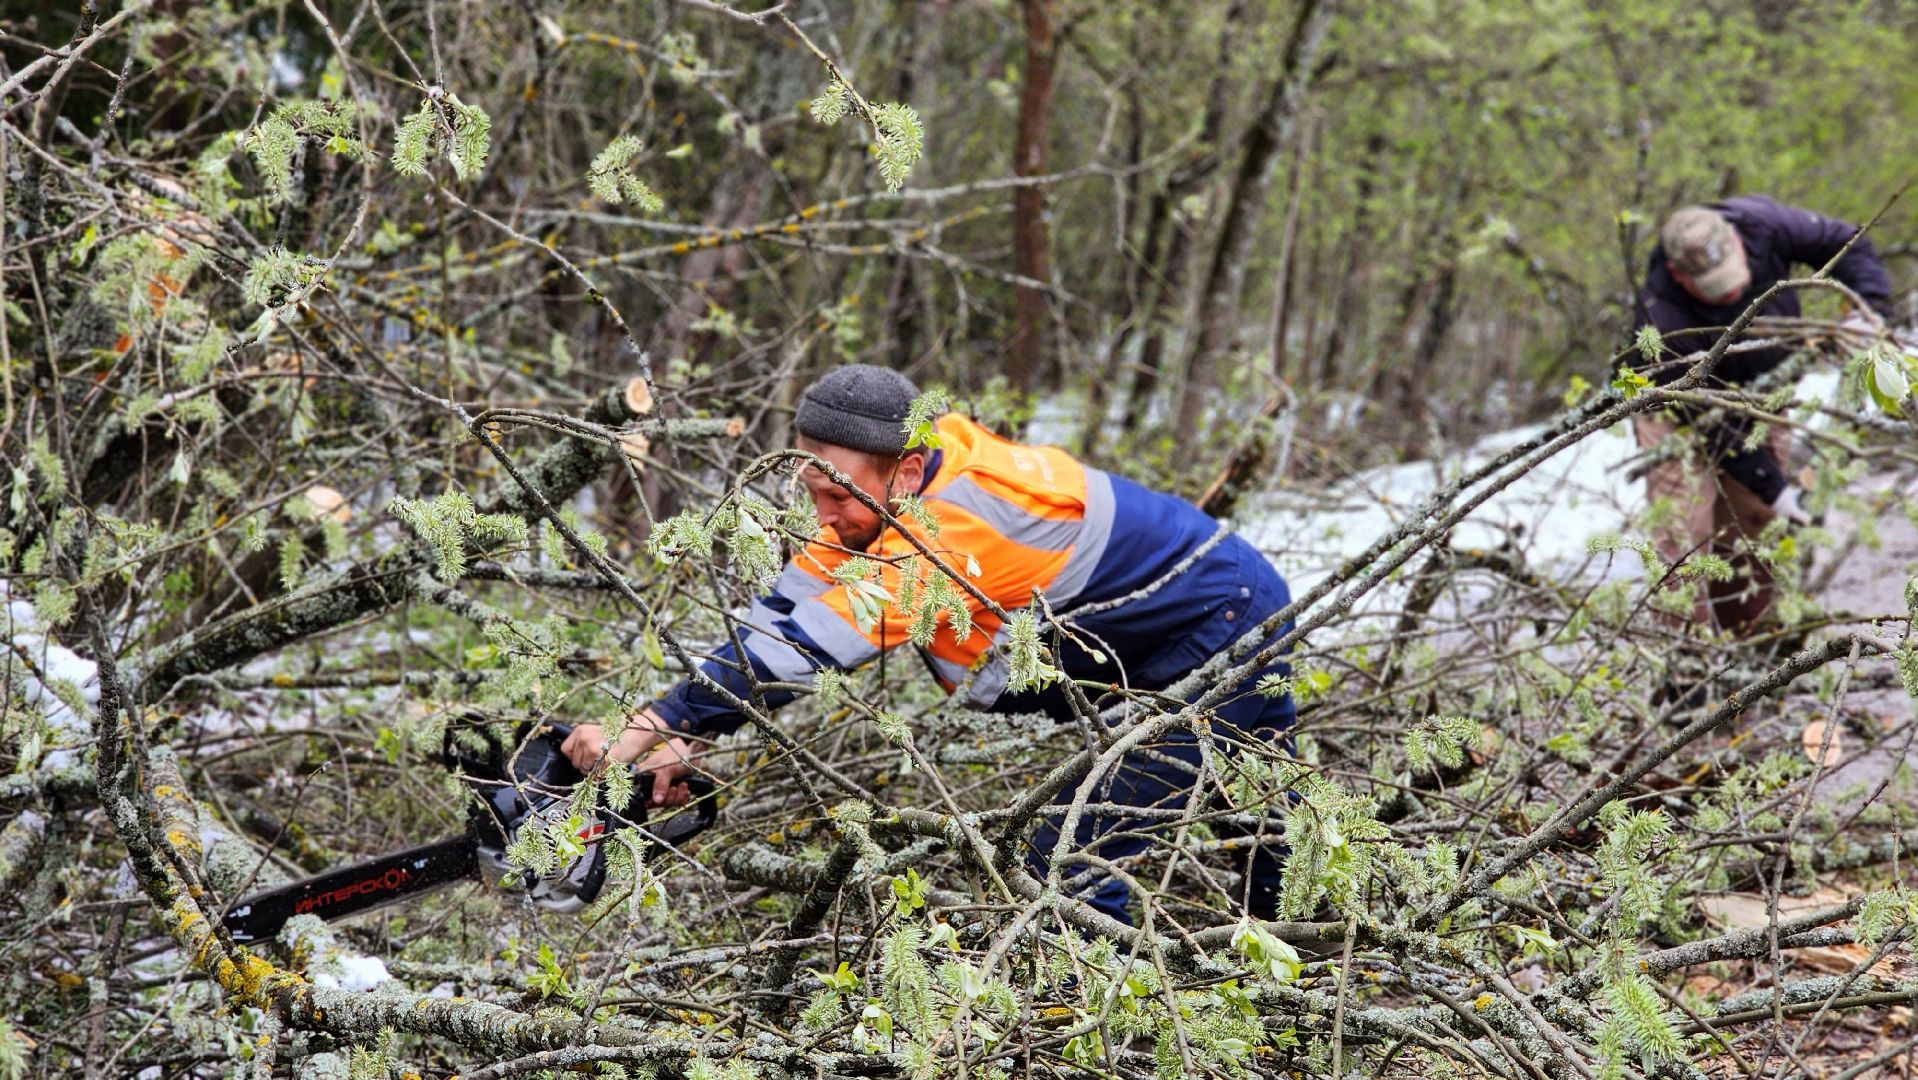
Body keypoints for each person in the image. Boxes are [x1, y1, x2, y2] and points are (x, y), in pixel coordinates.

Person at [562, 364, 1298, 923]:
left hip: (1221, 622)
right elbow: (782, 613)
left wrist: (663, 724)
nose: (823, 516)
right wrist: (674, 724)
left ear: (907, 472)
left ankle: (1130, 1020)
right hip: (1181, 618)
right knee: (1257, 799)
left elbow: (806, 650)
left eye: (838, 496)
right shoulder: (887, 476)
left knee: (1065, 857)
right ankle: (1304, 937)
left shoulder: (953, 528)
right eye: (810, 490)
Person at [1630, 196, 1893, 632]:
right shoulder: (1659, 319)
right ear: (1679, 275)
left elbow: (1850, 243)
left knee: (1756, 527)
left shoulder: (1763, 223)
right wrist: (1774, 485)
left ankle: (1748, 659)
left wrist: (1869, 312)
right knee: (1681, 536)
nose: (1731, 291)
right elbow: (1716, 433)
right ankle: (1684, 668)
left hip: (1763, 390)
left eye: (1731, 276)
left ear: (1735, 241)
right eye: (1714, 286)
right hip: (1678, 407)